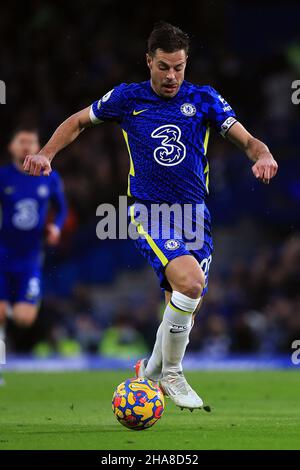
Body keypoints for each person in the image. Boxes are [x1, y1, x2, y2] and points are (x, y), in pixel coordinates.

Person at [23, 22, 278, 409]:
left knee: (183, 311)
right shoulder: (127, 98)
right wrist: (46, 153)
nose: (172, 76)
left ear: (186, 63)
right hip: (150, 212)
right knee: (190, 284)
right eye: (163, 67)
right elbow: (77, 121)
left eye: (178, 67)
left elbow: (247, 140)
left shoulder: (204, 98)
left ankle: (149, 374)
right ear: (149, 61)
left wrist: (264, 155)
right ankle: (172, 375)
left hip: (196, 217)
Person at [0, 127, 67, 385]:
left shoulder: (49, 177)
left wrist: (56, 227)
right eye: (22, 141)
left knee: (25, 319)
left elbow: (61, 209)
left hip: (30, 258)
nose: (27, 146)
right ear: (12, 147)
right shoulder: (3, 176)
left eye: (32, 142)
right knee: (1, 313)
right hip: (3, 255)